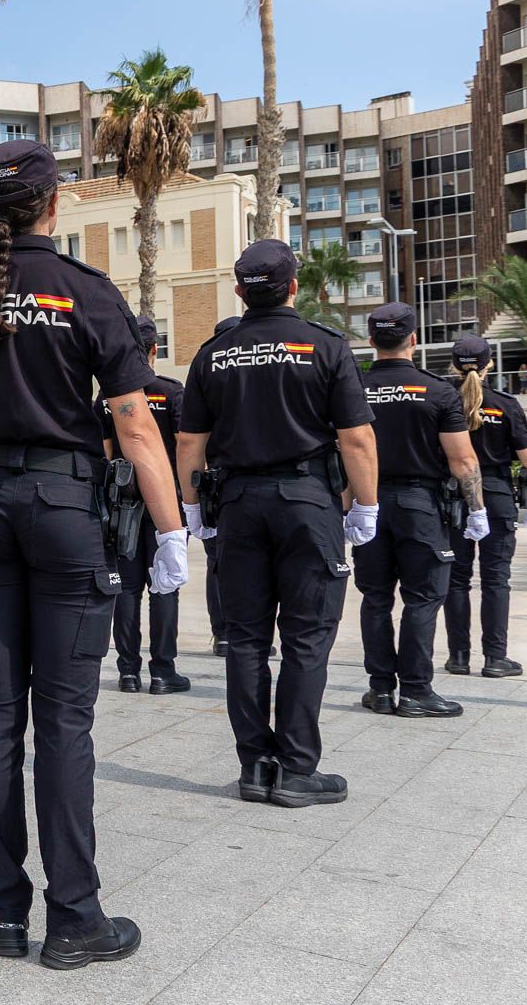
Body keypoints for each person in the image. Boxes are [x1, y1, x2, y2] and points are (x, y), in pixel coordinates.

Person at [0, 140, 187, 969]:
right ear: (53, 203)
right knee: (64, 719)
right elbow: (136, 426)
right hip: (63, 507)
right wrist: (170, 531)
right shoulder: (86, 293)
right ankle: (74, 916)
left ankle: (4, 911)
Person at [176, 239, 378, 810]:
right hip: (307, 500)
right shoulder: (324, 345)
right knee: (306, 637)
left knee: (245, 639)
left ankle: (254, 767)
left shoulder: (213, 353)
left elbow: (191, 442)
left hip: (238, 503)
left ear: (240, 291)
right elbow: (357, 437)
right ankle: (295, 769)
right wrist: (365, 505)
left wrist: (194, 508)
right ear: (294, 286)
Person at [354, 303, 489, 720]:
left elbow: (342, 450)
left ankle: (380, 689)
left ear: (372, 341)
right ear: (413, 340)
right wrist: (477, 510)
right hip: (420, 505)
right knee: (423, 597)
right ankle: (414, 690)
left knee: (375, 597)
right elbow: (463, 461)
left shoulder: (354, 388)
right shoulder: (438, 391)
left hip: (369, 502)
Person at [444, 333, 527, 678]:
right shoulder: (505, 404)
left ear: (454, 366)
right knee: (495, 580)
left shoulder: (445, 401)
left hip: (455, 497)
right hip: (497, 495)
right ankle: (494, 658)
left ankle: (458, 657)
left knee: (456, 580)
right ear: (490, 364)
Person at [98, 315, 191, 696]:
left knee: (127, 589)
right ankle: (163, 670)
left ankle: (128, 671)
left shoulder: (107, 399)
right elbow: (185, 449)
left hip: (124, 507)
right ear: (154, 349)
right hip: (166, 503)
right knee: (165, 586)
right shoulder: (171, 392)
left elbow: (105, 456)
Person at [203, 315, 240, 656]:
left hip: (216, 484)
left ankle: (225, 633)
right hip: (242, 482)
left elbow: (189, 441)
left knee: (217, 563)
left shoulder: (206, 372)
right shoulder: (254, 376)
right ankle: (245, 633)